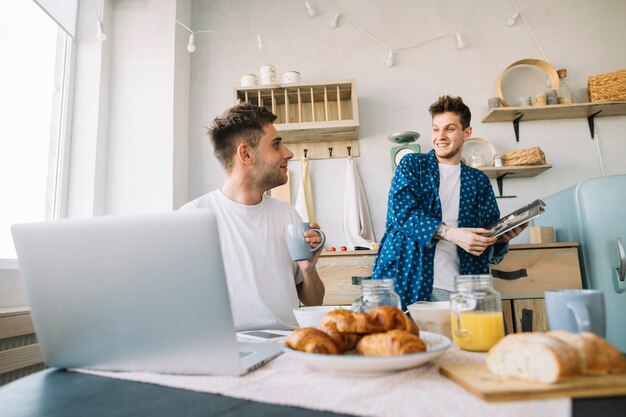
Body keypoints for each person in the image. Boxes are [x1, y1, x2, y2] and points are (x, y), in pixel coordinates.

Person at [180, 103, 325, 330]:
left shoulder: (288, 214)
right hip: (230, 349)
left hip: (287, 345)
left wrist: (309, 269)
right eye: (276, 145)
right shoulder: (194, 219)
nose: (288, 153)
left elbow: (314, 301)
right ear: (246, 154)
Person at [371, 95, 525, 308]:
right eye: (436, 129)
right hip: (406, 277)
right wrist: (452, 233)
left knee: (467, 341)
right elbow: (403, 214)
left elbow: (485, 232)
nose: (440, 136)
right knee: (401, 340)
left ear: (467, 133)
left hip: (460, 284)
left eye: (449, 129)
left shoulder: (478, 180)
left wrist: (500, 237)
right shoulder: (412, 165)